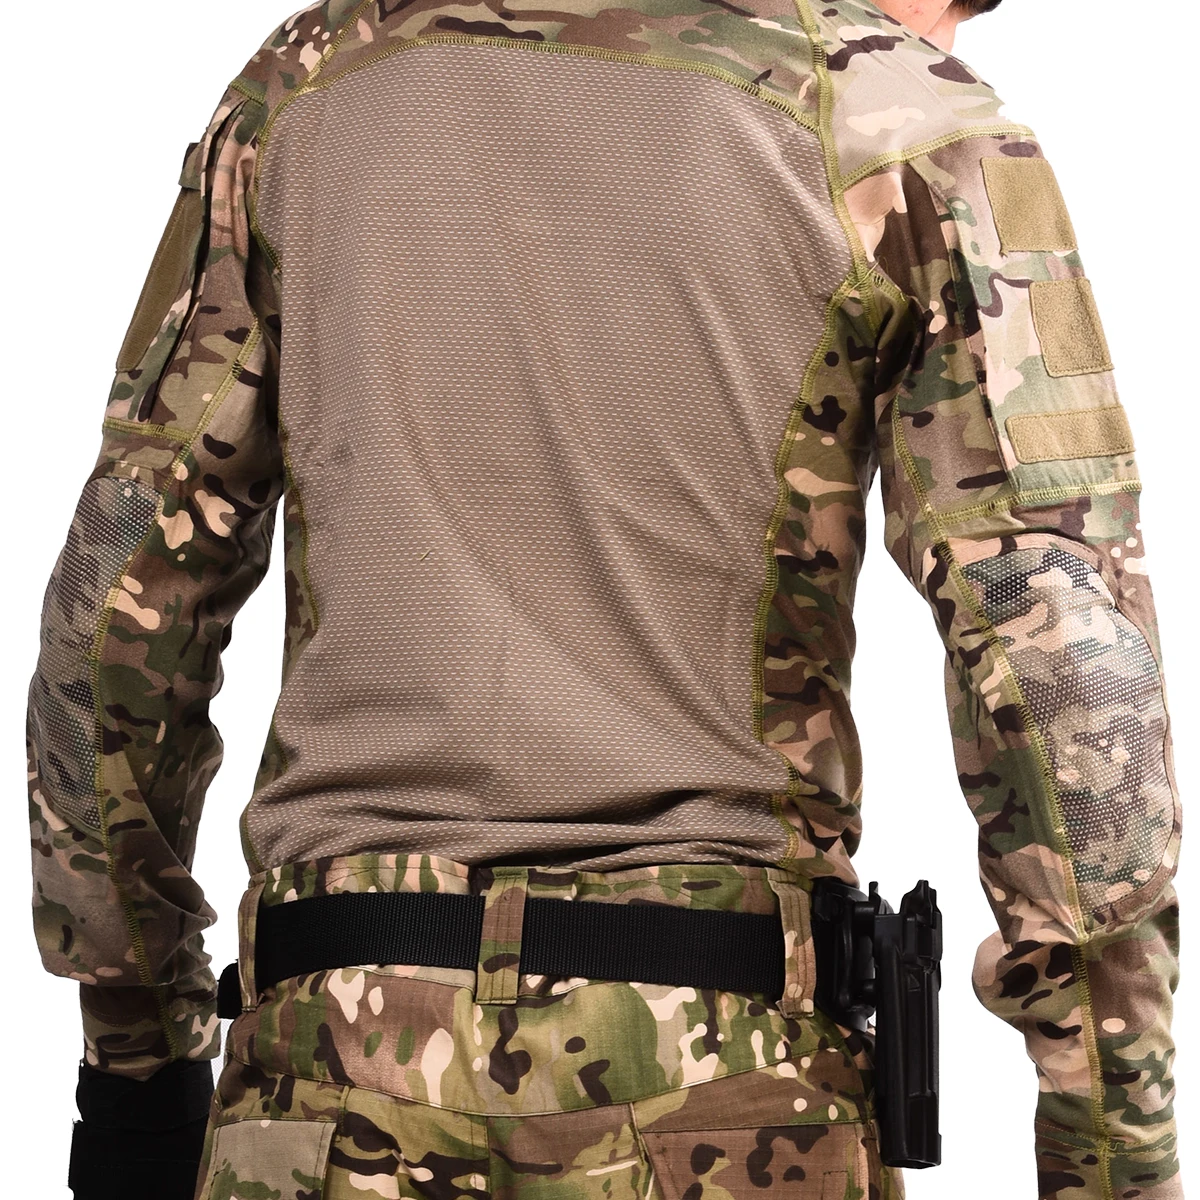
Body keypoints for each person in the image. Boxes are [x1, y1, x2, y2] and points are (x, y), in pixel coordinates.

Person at [28, 0, 1181, 1196]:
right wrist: (1115, 1155)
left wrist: (138, 1073)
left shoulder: (303, 85)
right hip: (719, 1093)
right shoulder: (903, 115)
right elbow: (1061, 656)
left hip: (322, 1072)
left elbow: (115, 599)